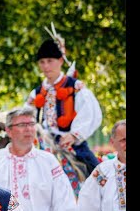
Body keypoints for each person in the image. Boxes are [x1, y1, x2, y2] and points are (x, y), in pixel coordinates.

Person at [26, 30, 103, 174]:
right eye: (42, 62)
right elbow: (26, 117)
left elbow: (90, 113)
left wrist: (74, 135)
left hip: (70, 142)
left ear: (61, 61)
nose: (46, 66)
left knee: (97, 175)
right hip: (41, 143)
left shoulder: (75, 87)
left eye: (50, 61)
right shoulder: (35, 93)